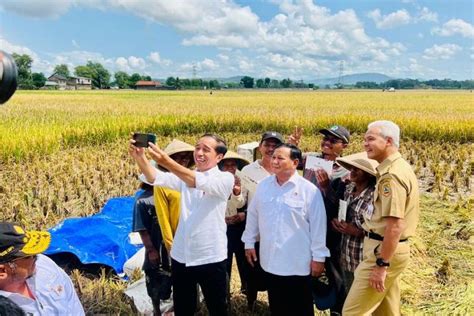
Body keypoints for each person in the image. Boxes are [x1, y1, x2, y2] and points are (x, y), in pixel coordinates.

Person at [129, 133, 234, 316]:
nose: (199, 153)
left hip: (210, 256)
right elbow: (155, 178)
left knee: (218, 307)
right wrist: (140, 157)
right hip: (182, 256)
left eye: (205, 150)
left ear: (219, 157)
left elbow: (195, 181)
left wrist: (167, 161)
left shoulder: (224, 179)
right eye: (197, 147)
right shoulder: (184, 179)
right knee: (184, 307)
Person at [242, 143, 330, 316]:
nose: (274, 161)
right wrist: (249, 242)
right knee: (277, 305)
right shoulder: (264, 186)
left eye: (280, 158)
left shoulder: (309, 191)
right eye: (273, 157)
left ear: (295, 162)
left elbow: (319, 226)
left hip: (298, 262)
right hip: (271, 260)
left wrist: (319, 257)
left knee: (300, 307)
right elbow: (253, 215)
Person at [343, 120, 420, 315]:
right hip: (390, 250)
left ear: (388, 141)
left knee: (352, 312)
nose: (365, 144)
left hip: (383, 251)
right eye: (364, 140)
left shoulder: (391, 176)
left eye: (370, 139)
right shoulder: (397, 168)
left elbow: (394, 225)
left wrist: (381, 264)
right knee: (386, 311)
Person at [289, 125, 351, 313]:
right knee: (303, 270)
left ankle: (337, 309)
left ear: (344, 146)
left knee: (333, 272)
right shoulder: (311, 159)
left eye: (333, 141)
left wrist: (326, 187)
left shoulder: (346, 171)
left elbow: (342, 206)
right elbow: (288, 162)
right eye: (325, 139)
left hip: (329, 231)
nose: (327, 143)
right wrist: (292, 145)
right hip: (303, 226)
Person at [132, 139, 194, 314]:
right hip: (158, 244)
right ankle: (157, 308)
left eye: (185, 158)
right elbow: (142, 228)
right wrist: (151, 249)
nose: (182, 161)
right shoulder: (143, 200)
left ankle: (178, 306)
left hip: (181, 240)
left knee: (181, 280)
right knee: (156, 278)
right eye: (178, 158)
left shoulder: (185, 188)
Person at [0, 222, 84, 315]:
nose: (37, 257)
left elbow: (72, 302)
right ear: (2, 271)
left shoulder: (44, 265)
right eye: (28, 256)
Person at [240, 131, 284, 309]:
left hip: (278, 234)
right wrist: (236, 194)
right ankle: (251, 303)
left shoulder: (284, 170)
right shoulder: (248, 170)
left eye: (275, 146)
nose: (271, 149)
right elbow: (242, 201)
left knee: (275, 271)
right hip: (255, 231)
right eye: (267, 145)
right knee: (253, 271)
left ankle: (275, 305)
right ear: (260, 147)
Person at [331, 152, 378, 307]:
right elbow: (342, 213)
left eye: (358, 169)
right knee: (349, 295)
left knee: (361, 303)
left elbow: (380, 230)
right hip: (346, 255)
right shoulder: (348, 188)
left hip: (363, 258)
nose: (352, 170)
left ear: (369, 175)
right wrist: (338, 224)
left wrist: (357, 231)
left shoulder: (374, 196)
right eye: (352, 167)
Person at [218, 151, 250, 294]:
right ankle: (225, 295)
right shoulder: (216, 182)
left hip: (239, 226)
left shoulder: (242, 180)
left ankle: (247, 292)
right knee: (225, 263)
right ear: (221, 166)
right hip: (221, 228)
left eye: (233, 165)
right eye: (227, 165)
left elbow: (242, 202)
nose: (230, 168)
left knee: (244, 262)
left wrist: (237, 192)